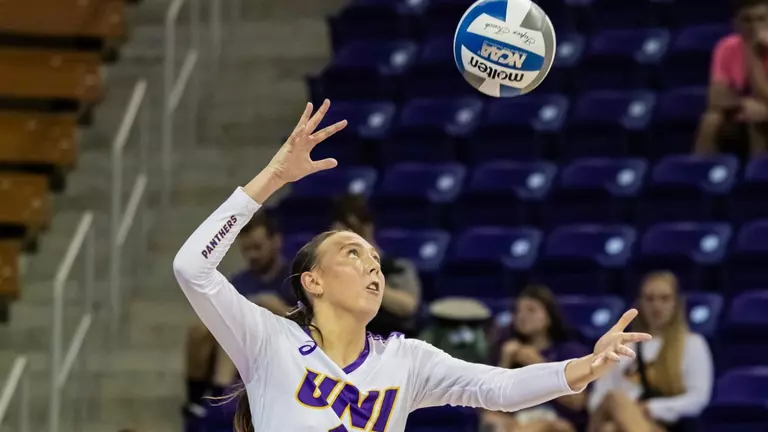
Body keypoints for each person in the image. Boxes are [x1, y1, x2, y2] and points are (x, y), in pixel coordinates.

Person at [173, 99, 652, 432]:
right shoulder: (268, 340)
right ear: (311, 282)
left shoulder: (406, 360)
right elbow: (192, 268)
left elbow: (499, 387)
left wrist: (585, 367)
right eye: (352, 254)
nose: (373, 267)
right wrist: (274, 177)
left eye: (376, 258)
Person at [184, 211, 293, 413]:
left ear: (276, 241)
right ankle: (196, 402)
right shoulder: (238, 282)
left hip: (279, 348)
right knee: (200, 329)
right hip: (238, 351)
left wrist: (275, 308)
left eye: (258, 247)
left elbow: (307, 326)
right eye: (246, 249)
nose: (252, 255)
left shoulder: (293, 278)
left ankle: (218, 397)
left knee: (250, 314)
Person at [587, 272, 714, 432]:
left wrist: (651, 408)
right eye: (649, 299)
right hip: (614, 415)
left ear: (676, 303)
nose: (656, 306)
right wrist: (628, 410)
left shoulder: (693, 344)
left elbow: (698, 399)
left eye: (664, 299)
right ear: (640, 304)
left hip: (662, 424)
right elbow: (597, 397)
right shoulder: (622, 344)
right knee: (613, 406)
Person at [483, 286, 590, 432]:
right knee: (492, 420)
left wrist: (538, 364)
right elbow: (491, 406)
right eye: (518, 311)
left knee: (542, 425)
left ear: (548, 317)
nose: (522, 316)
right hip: (517, 420)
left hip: (557, 421)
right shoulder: (505, 350)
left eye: (531, 310)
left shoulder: (568, 351)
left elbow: (577, 402)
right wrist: (505, 364)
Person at [330, 193, 422, 337]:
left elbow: (408, 306)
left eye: (350, 230)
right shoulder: (329, 269)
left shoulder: (395, 266)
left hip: (388, 343)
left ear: (367, 227)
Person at [694, 0, 768, 158]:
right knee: (711, 120)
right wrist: (743, 103)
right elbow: (716, 97)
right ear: (736, 24)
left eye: (762, 19)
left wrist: (753, 55)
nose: (754, 26)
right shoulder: (726, 47)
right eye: (747, 20)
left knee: (757, 119)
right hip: (743, 112)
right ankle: (696, 172)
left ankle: (757, 175)